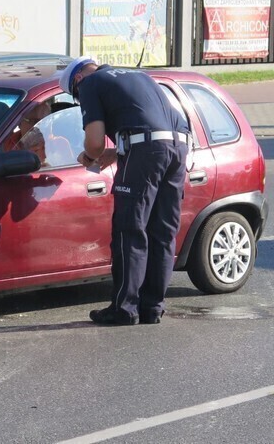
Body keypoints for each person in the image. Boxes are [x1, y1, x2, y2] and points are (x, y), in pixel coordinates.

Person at [57, 56, 189, 326]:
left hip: (147, 150)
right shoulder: (137, 75)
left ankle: (125, 308)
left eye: (76, 97)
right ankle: (152, 307)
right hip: (179, 147)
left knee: (129, 228)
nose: (79, 101)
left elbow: (94, 142)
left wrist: (90, 155)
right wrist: (118, 151)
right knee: (162, 231)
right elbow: (150, 124)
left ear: (77, 80)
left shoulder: (90, 84)